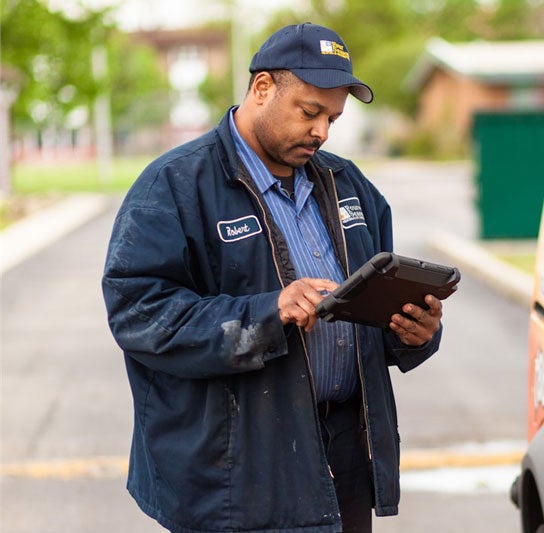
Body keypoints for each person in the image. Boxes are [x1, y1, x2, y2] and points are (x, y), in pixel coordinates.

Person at [102, 22, 445, 533]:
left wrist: (414, 333)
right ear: (262, 88)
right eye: (310, 113)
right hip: (234, 475)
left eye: (333, 117)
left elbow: (377, 304)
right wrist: (268, 312)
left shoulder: (350, 184)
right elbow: (139, 313)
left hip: (343, 456)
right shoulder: (174, 185)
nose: (322, 132)